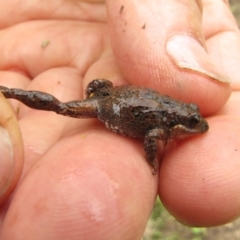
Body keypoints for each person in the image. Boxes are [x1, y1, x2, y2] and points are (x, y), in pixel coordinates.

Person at [0, 0, 239, 239]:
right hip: (110, 105)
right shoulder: (162, 130)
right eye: (193, 122)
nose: (198, 127)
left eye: (195, 120)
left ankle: (10, 92)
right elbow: (152, 136)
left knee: (65, 105)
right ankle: (9, 92)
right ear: (181, 122)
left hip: (114, 95)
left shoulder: (170, 119)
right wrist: (151, 159)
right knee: (61, 108)